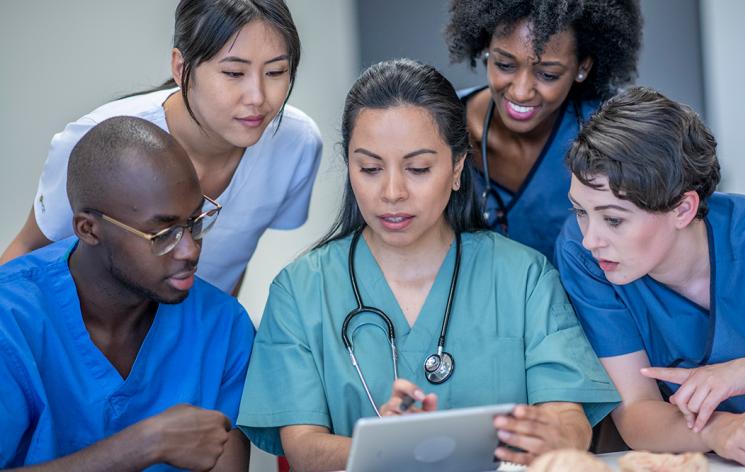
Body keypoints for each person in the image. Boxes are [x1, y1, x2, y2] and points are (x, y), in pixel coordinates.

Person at [236, 59, 620, 470]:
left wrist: (556, 434)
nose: (392, 192)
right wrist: (392, 449)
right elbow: (304, 449)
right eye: (369, 168)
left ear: (457, 169)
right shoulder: (300, 290)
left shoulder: (524, 277)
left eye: (418, 169)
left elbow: (569, 420)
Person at [555, 86, 745, 466]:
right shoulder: (583, 256)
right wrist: (717, 429)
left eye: (613, 219)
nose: (591, 239)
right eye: (580, 211)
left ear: (682, 210)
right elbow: (636, 410)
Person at [0, 0, 322, 295]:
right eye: (234, 73)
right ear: (181, 68)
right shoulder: (95, 141)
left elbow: (233, 258)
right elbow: (26, 251)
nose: (258, 97)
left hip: (192, 339)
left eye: (276, 72)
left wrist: (215, 341)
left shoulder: (297, 146)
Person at [0, 117, 255, 470]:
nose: (190, 251)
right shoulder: (10, 320)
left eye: (195, 223)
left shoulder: (222, 326)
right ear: (89, 229)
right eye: (163, 233)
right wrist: (145, 443)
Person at [444, 0, 642, 262]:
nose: (521, 92)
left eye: (548, 74)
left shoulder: (619, 131)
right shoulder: (441, 126)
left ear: (582, 67)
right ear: (486, 50)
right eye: (504, 64)